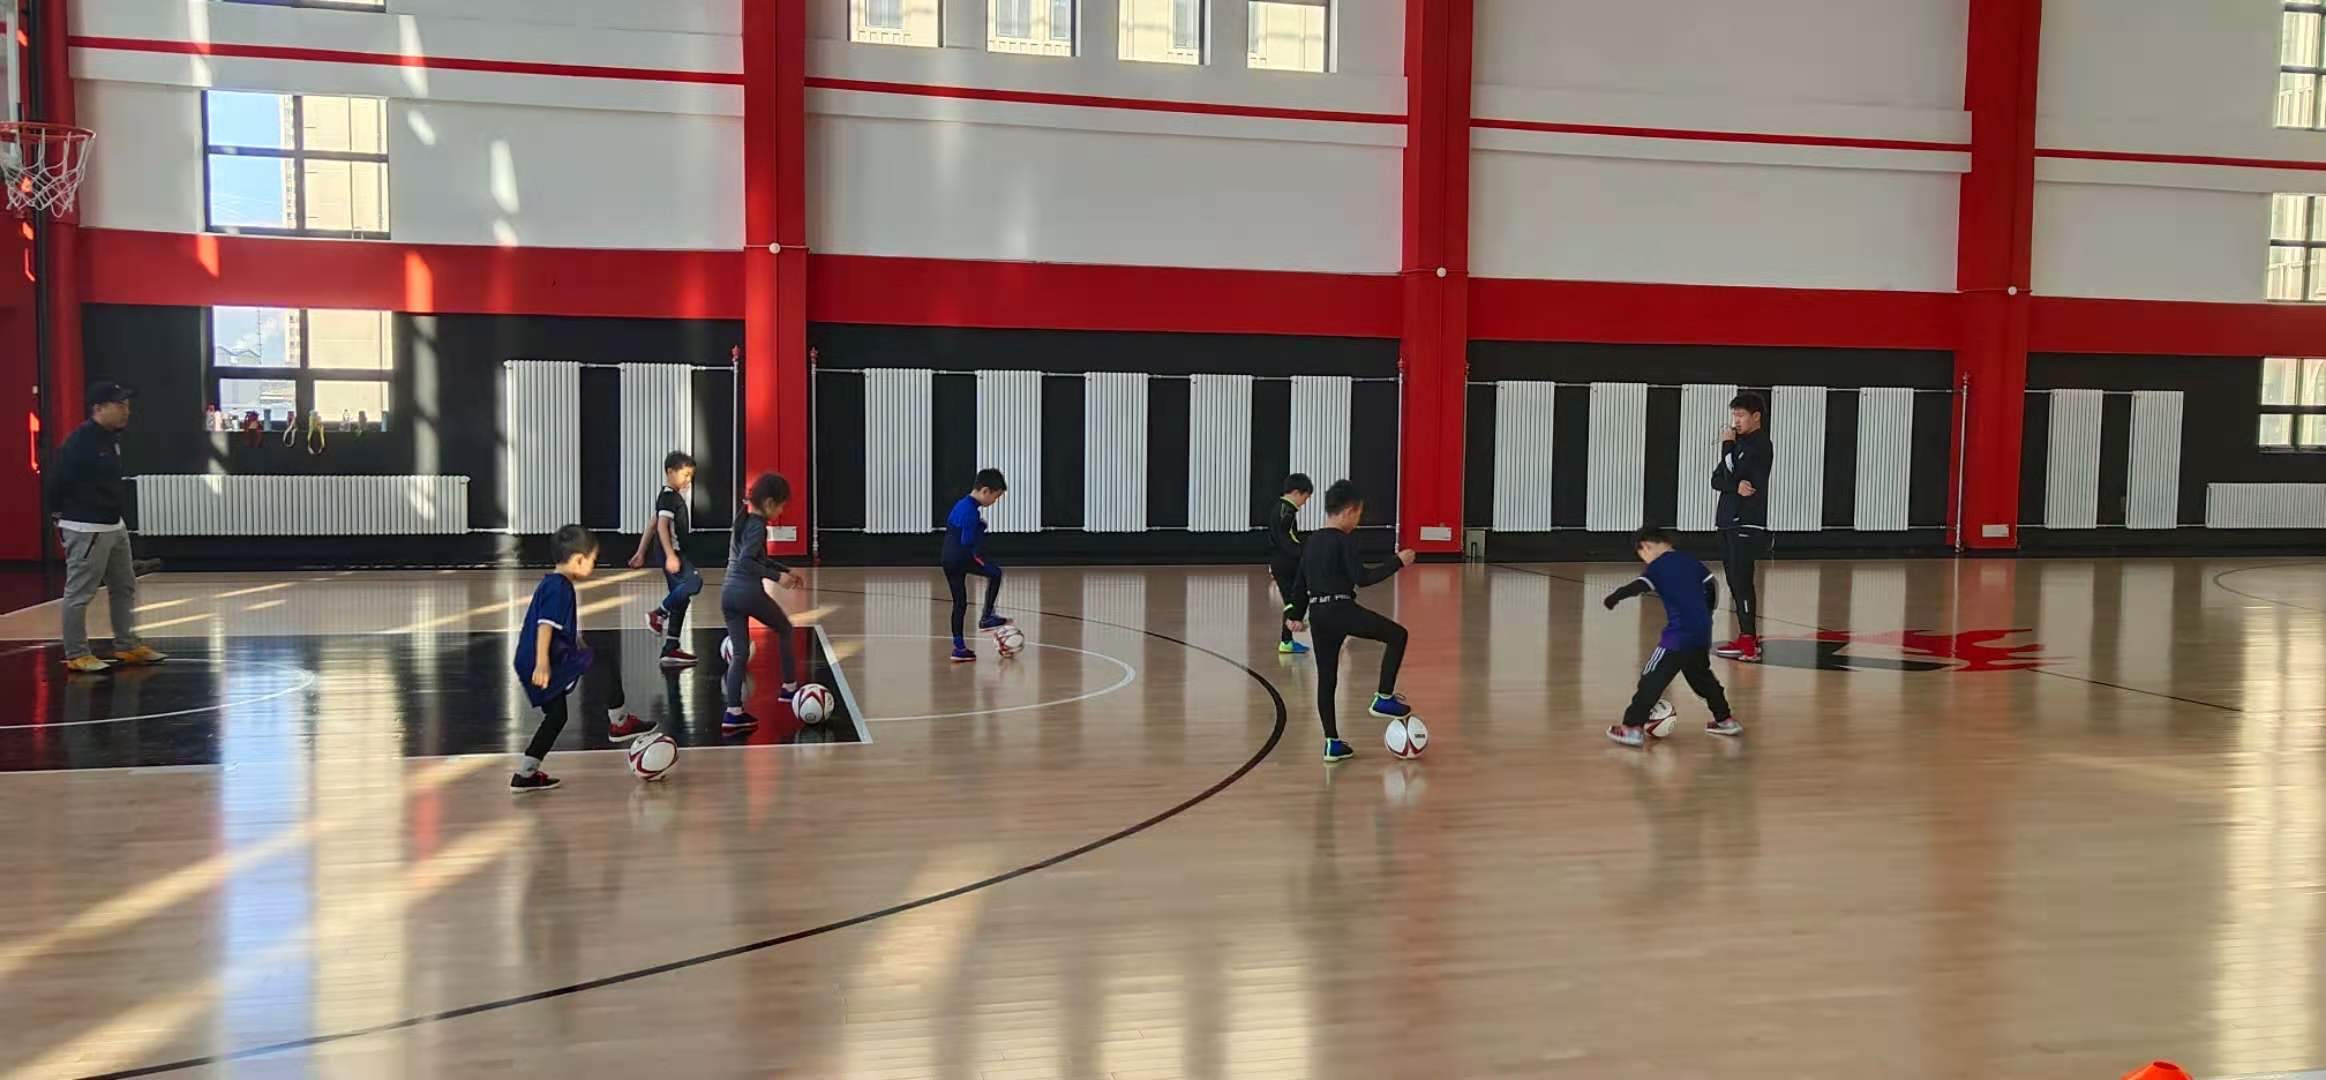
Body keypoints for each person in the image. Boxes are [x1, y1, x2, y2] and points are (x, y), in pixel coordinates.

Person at [1286, 479, 1415, 763]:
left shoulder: (1312, 542)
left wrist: (1294, 616)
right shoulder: (1343, 540)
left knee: (1327, 678)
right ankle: (1383, 697)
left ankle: (1332, 743)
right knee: (1398, 635)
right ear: (1349, 511)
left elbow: (1300, 584)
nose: (1358, 521)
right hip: (1341, 610)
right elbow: (1363, 578)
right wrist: (1398, 562)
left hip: (1318, 615)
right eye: (1358, 515)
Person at [512, 525, 647, 792]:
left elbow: (557, 626)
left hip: (538, 658)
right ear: (578, 560)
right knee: (605, 662)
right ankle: (619, 722)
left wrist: (576, 642)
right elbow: (545, 625)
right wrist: (542, 663)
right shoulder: (559, 587)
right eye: (592, 560)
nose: (593, 566)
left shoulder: (553, 583)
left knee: (557, 716)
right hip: (545, 660)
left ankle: (526, 773)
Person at [49, 382, 166, 674]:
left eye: (127, 405)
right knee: (80, 593)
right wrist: (61, 518)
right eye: (120, 405)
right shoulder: (80, 442)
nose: (127, 411)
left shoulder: (111, 438)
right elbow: (56, 482)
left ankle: (127, 645)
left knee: (124, 586)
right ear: (99, 408)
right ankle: (77, 653)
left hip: (114, 525)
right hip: (86, 527)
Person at [1601, 526, 1744, 747]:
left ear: (1646, 546)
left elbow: (1639, 586)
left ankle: (1632, 728)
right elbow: (1711, 585)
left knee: (1651, 679)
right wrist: (1705, 613)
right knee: (1703, 679)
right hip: (1701, 632)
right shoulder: (1690, 561)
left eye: (1641, 555)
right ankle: (1725, 720)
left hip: (1677, 637)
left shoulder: (1657, 566)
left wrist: (1615, 596)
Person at [721, 472, 806, 731]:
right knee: (785, 629)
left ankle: (733, 713)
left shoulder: (744, 520)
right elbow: (747, 562)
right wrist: (778, 578)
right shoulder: (758, 525)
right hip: (747, 593)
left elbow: (758, 559)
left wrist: (785, 569)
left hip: (728, 595)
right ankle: (789, 688)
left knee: (739, 654)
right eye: (781, 506)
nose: (781, 511)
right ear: (769, 502)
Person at [1710, 392, 1772, 663]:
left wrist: (1727, 447)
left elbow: (1732, 472)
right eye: (1734, 415)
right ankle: (1747, 636)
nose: (1735, 421)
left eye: (1741, 415)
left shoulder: (1760, 444)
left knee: (1742, 579)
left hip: (1745, 520)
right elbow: (1717, 479)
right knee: (1734, 580)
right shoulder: (1739, 445)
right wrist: (1734, 486)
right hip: (1727, 519)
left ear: (1755, 416)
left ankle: (1749, 642)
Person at [630, 451, 701, 668]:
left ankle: (671, 648)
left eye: (690, 476)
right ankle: (658, 613)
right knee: (694, 582)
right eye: (685, 475)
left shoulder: (667, 497)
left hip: (671, 553)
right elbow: (661, 526)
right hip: (673, 553)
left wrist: (640, 552)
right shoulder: (669, 497)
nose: (688, 480)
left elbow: (652, 523)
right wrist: (671, 555)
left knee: (680, 597)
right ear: (670, 472)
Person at [943, 468, 1012, 663]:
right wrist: (980, 529)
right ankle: (987, 617)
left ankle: (959, 648)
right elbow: (967, 541)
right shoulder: (971, 512)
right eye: (996, 497)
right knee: (995, 573)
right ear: (985, 491)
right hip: (962, 557)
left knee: (960, 603)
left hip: (947, 559)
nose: (995, 501)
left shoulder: (961, 504)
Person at [1268, 474, 1314, 655]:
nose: (1304, 503)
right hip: (1287, 562)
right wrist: (1306, 553)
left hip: (1280, 561)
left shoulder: (1281, 509)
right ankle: (1291, 632)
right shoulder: (1286, 511)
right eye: (1305, 498)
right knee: (1296, 599)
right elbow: (1287, 541)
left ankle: (1287, 640)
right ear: (1296, 493)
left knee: (1291, 601)